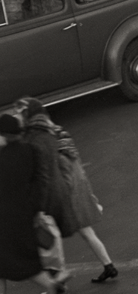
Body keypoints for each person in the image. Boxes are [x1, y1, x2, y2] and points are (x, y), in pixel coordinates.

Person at [18, 100, 115, 285]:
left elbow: (58, 173)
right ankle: (108, 265)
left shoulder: (46, 140)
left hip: (66, 198)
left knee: (53, 240)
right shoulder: (61, 133)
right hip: (77, 193)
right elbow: (77, 170)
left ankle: (59, 281)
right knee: (87, 234)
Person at [0, 110, 63, 293]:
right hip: (25, 217)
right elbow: (40, 181)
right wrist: (37, 210)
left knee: (9, 265)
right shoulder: (30, 151)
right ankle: (51, 285)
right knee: (26, 263)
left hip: (4, 222)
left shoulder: (2, 158)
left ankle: (52, 286)